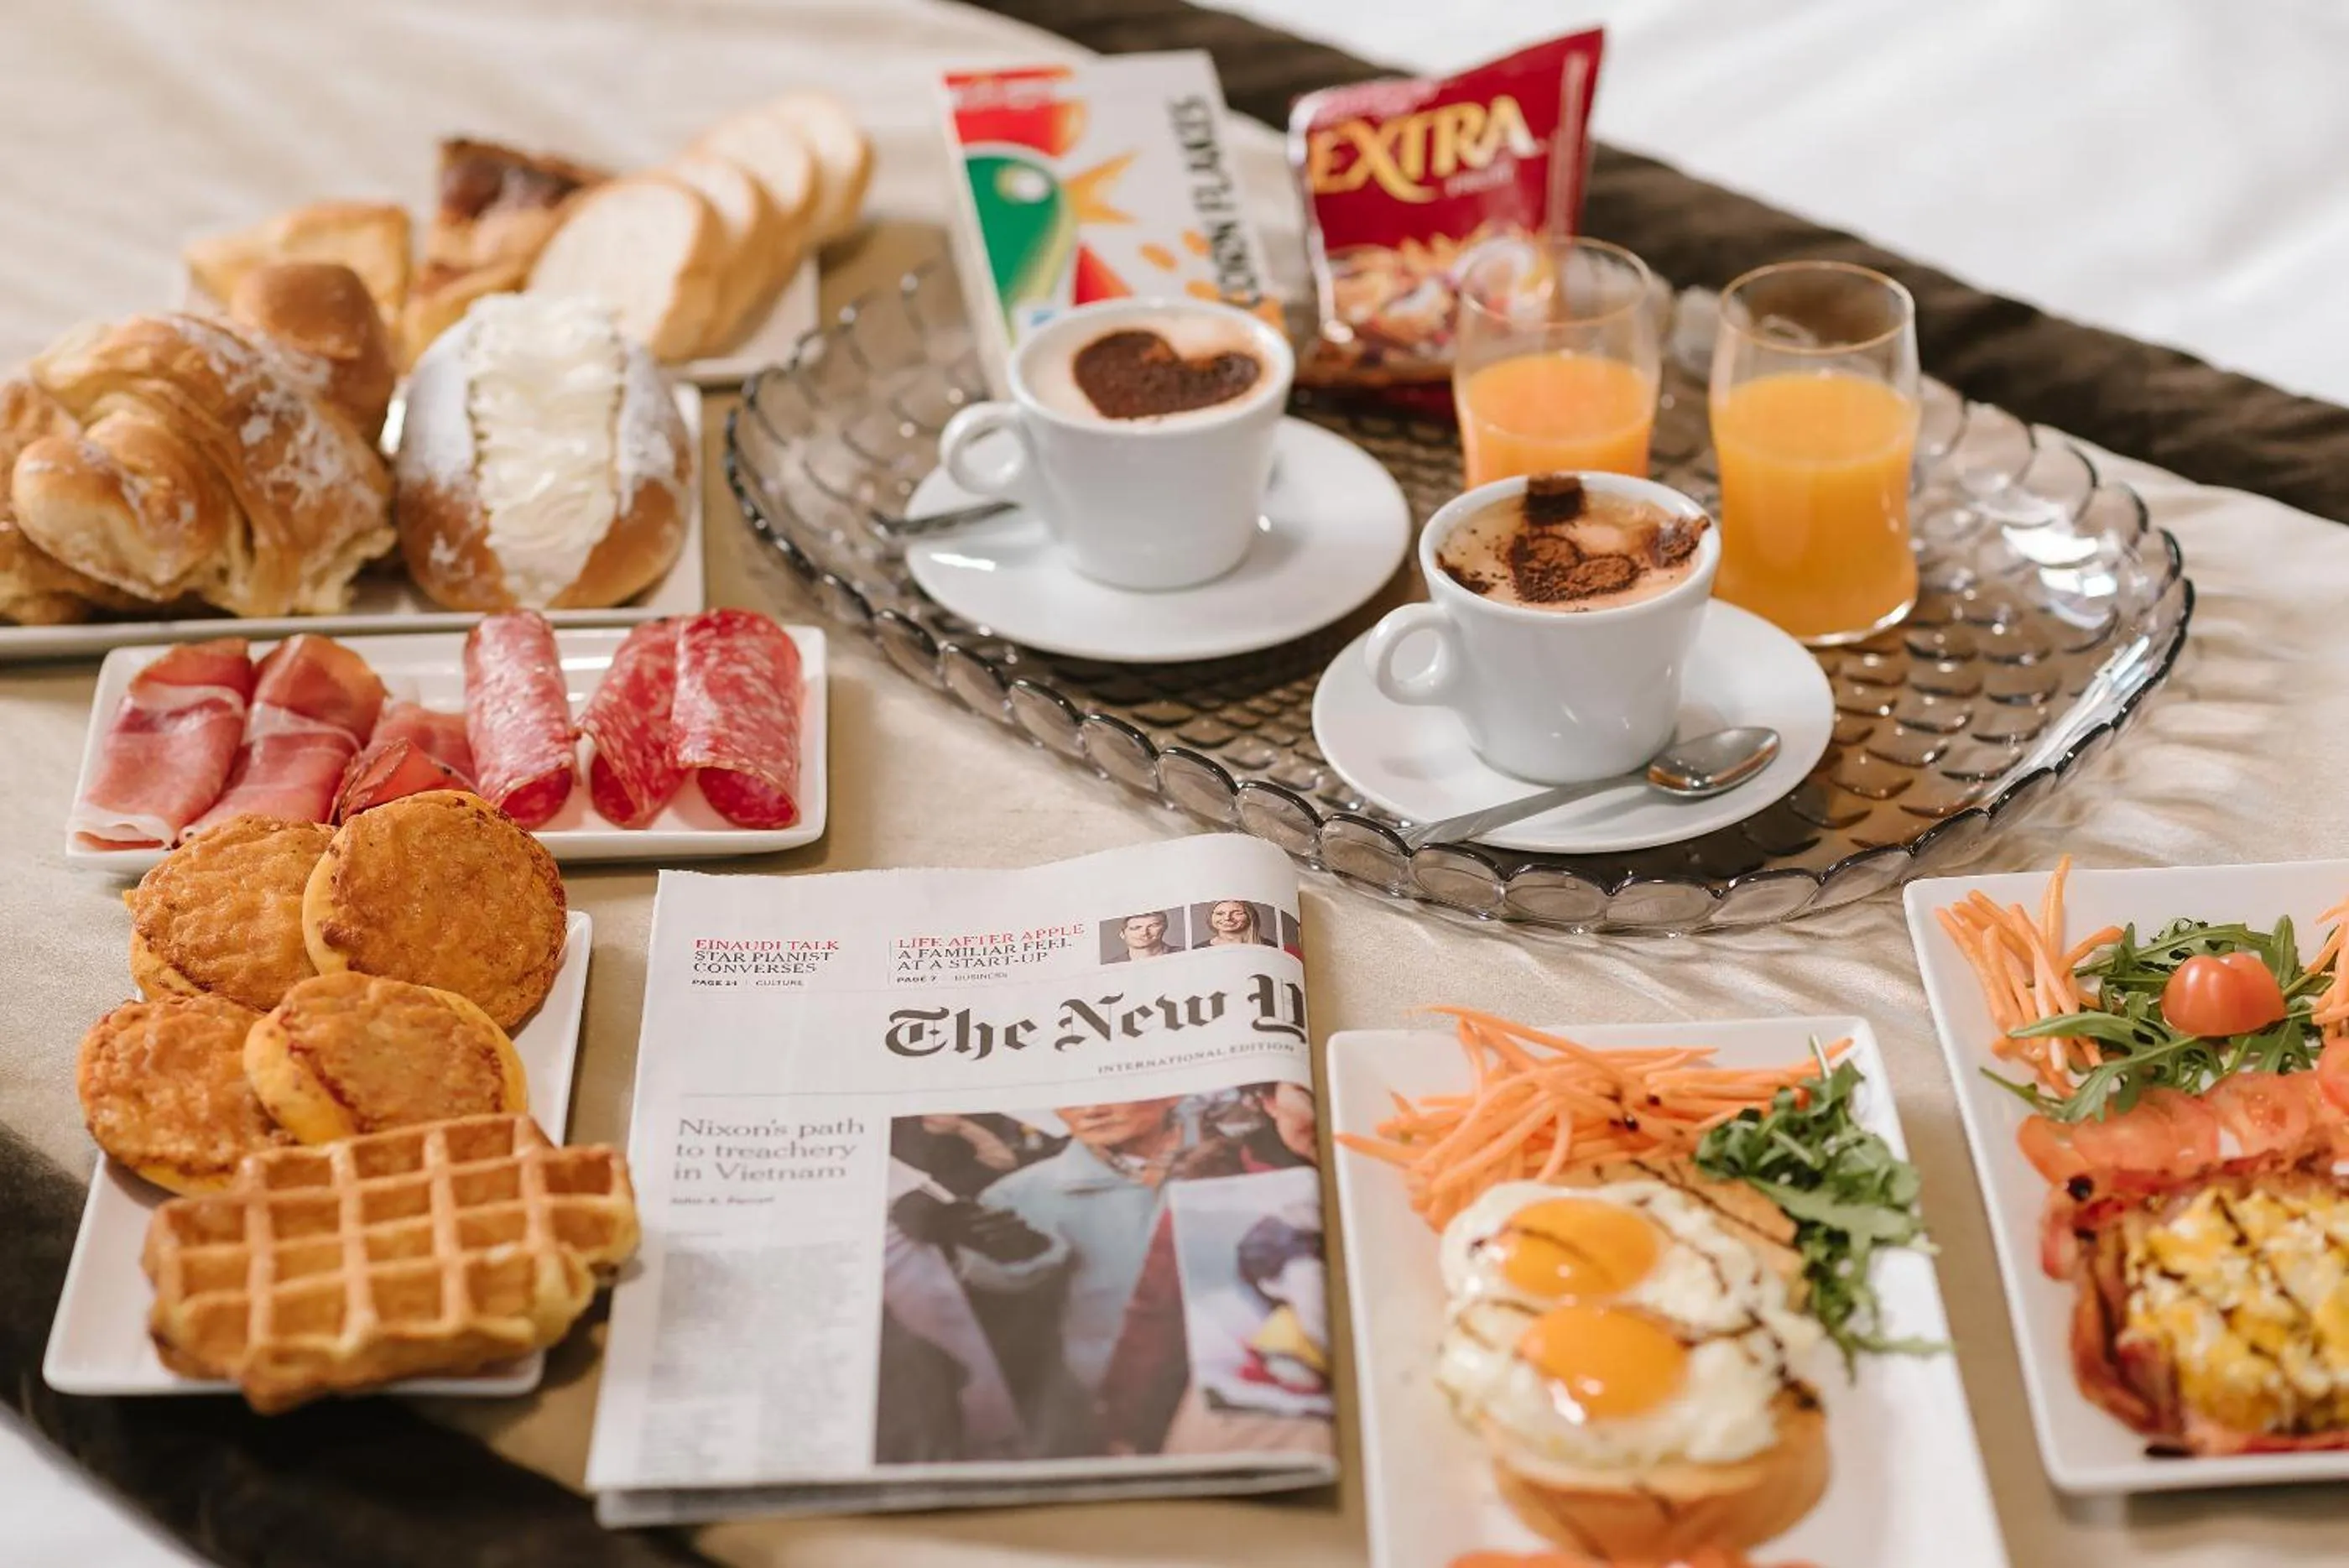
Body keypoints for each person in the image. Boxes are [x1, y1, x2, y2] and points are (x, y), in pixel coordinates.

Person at [961, 1096, 1188, 1454]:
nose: (1091, 1110)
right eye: (1068, 1099)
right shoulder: (1020, 1194)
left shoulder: (1238, 1166)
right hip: (1097, 1403)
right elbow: (991, 1305)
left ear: (1173, 1093)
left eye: (1116, 1090)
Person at [1193, 899, 1272, 948]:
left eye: (1237, 913)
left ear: (1250, 915)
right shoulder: (1199, 949)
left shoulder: (1271, 946)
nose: (1227, 918)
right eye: (1220, 914)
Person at [1107, 911, 1178, 961]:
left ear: (1165, 927)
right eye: (1136, 928)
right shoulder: (1110, 965)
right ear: (1122, 934)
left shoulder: (1183, 952)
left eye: (1153, 926)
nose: (1144, 933)